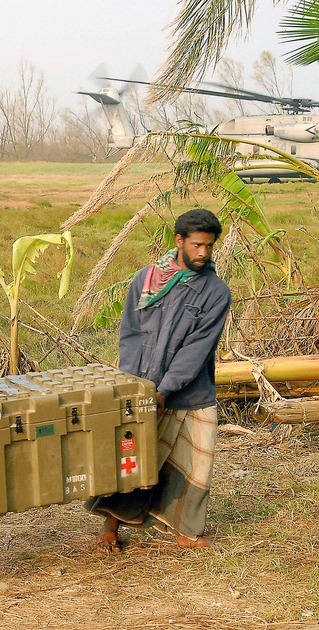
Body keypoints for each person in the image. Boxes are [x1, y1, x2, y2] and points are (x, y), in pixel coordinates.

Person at [85, 208, 231, 553]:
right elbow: (131, 334)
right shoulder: (146, 279)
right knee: (133, 459)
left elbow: (197, 349)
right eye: (196, 245)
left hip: (191, 393)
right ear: (178, 241)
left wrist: (165, 389)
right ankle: (111, 527)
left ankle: (187, 531)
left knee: (197, 465)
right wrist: (135, 385)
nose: (203, 254)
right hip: (141, 388)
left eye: (209, 247)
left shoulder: (215, 292)